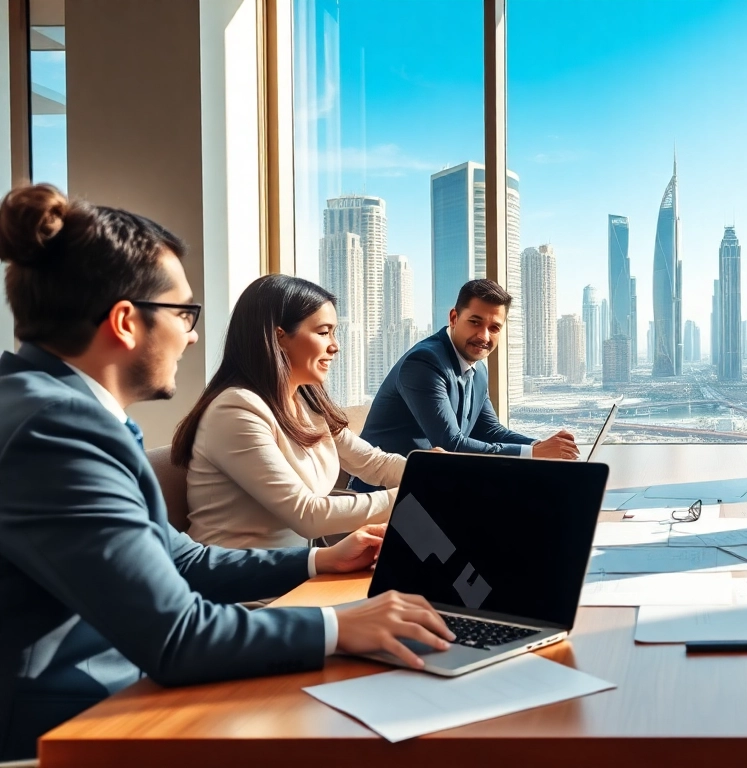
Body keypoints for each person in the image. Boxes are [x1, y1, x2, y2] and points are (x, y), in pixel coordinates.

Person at [0, 184, 452, 760]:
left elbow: (179, 559)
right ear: (124, 322)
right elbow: (176, 637)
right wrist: (341, 627)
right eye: (184, 313)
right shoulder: (55, 430)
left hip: (113, 695)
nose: (191, 334)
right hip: (67, 727)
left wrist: (318, 559)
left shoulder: (56, 410)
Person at [172, 275, 407, 549]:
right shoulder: (236, 410)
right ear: (279, 337)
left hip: (296, 571)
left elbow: (373, 464)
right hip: (244, 584)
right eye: (323, 332)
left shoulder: (306, 402)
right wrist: (416, 492)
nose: (335, 345)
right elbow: (308, 515)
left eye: (334, 332)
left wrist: (437, 471)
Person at [358, 278, 579, 464]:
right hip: (386, 486)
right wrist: (534, 453)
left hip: (436, 480)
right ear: (454, 318)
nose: (484, 336)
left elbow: (490, 431)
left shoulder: (478, 369)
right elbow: (450, 444)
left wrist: (541, 445)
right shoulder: (424, 363)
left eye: (494, 328)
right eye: (475, 322)